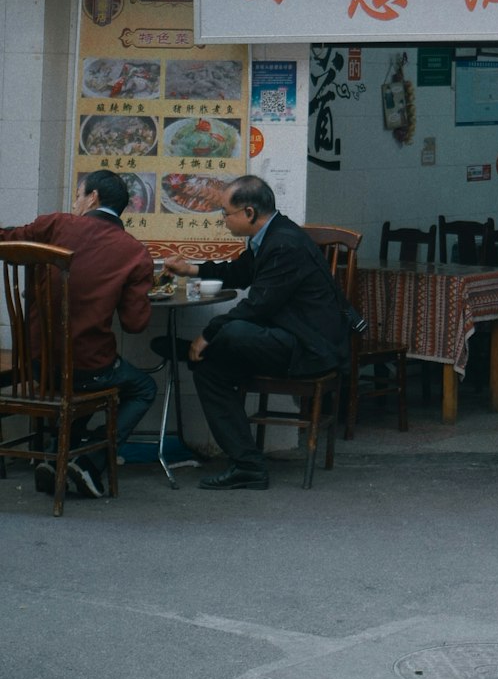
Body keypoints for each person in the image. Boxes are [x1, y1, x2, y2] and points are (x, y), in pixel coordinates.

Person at [164, 175, 350, 490]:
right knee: (208, 370)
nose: (222, 220)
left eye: (225, 213)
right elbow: (239, 272)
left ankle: (194, 349)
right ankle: (248, 466)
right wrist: (192, 269)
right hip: (287, 339)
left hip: (310, 349)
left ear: (249, 213)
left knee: (233, 330)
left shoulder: (284, 244)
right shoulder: (269, 236)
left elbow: (257, 306)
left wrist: (206, 335)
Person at [0, 168, 156, 499]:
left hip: (37, 366)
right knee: (142, 387)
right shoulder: (134, 253)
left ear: (92, 198)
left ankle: (58, 455)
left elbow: (8, 238)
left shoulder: (55, 225)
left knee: (77, 385)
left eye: (77, 194)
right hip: (89, 371)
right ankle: (89, 460)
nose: (74, 202)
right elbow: (135, 324)